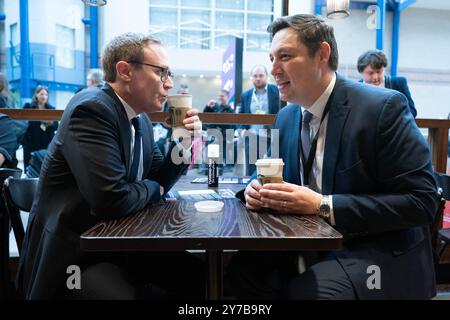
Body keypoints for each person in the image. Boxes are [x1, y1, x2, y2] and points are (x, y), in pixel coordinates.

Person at [227, 14, 438, 300]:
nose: (273, 69)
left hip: (374, 250)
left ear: (321, 54)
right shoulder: (287, 116)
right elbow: (268, 168)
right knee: (238, 271)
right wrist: (254, 187)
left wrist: (322, 205)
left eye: (285, 56)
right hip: (307, 240)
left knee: (310, 294)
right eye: (272, 58)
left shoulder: (383, 108)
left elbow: (421, 201)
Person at [16, 32, 204, 300]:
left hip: (118, 242)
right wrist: (155, 187)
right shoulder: (92, 109)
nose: (169, 84)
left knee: (194, 273)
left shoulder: (141, 122)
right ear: (125, 71)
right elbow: (112, 199)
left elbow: (159, 175)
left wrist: (184, 142)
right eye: (161, 72)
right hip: (75, 258)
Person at [357, 50, 417, 118]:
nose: (375, 77)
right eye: (371, 73)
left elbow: (412, 111)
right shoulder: (355, 88)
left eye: (379, 72)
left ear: (384, 69)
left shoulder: (399, 83)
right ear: (361, 72)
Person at [22, 85, 59, 172]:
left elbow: (56, 127)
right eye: (42, 94)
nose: (44, 97)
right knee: (29, 169)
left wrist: (50, 123)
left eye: (46, 95)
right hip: (31, 143)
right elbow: (22, 123)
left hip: (46, 143)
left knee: (45, 169)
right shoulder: (28, 106)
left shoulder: (51, 109)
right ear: (36, 94)